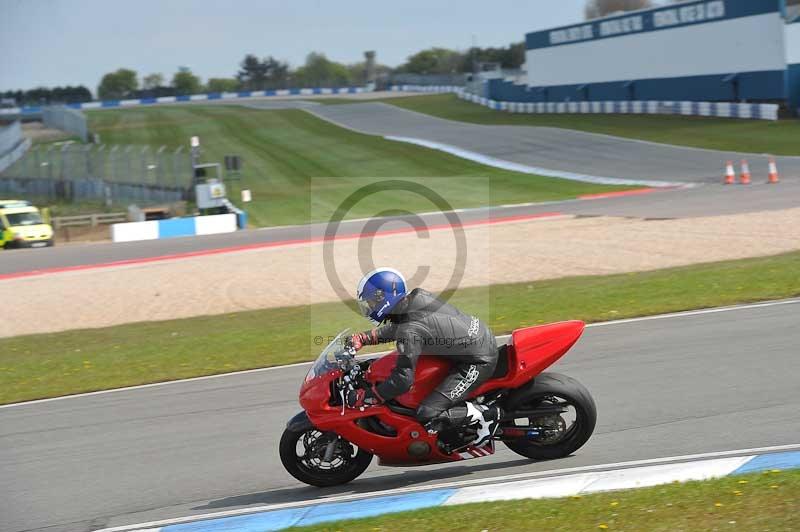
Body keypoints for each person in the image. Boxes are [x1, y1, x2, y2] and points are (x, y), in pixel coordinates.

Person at [346, 267, 501, 448]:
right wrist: (364, 338)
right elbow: (405, 326)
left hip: (478, 360)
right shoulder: (416, 298)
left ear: (384, 298)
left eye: (371, 302)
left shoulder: (409, 329)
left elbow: (403, 380)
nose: (369, 307)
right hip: (477, 339)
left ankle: (486, 415)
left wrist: (371, 396)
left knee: (427, 413)